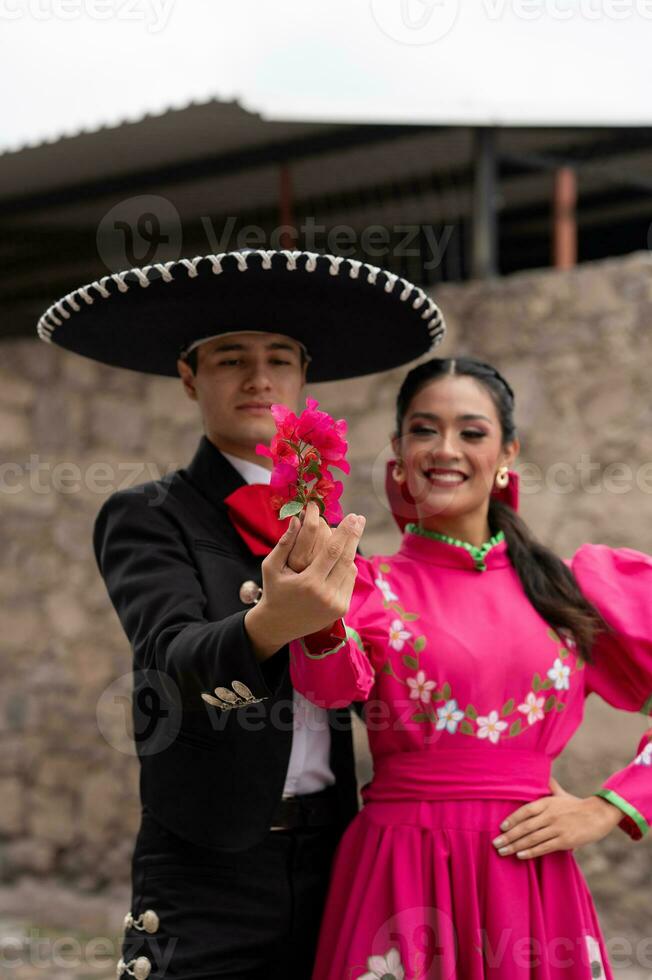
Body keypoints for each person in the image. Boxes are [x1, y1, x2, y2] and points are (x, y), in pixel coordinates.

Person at [36, 249, 446, 980]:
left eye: (278, 358)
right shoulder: (147, 515)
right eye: (230, 359)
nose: (259, 377)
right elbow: (170, 659)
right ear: (189, 377)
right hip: (207, 860)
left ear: (303, 377)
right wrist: (269, 625)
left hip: (335, 852)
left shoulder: (332, 527)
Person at [251, 356, 652, 979]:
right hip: (400, 876)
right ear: (398, 451)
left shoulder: (574, 593)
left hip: (530, 883)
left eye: (472, 432)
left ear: (507, 452)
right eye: (423, 429)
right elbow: (328, 689)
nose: (445, 449)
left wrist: (606, 808)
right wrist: (318, 615)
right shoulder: (366, 584)